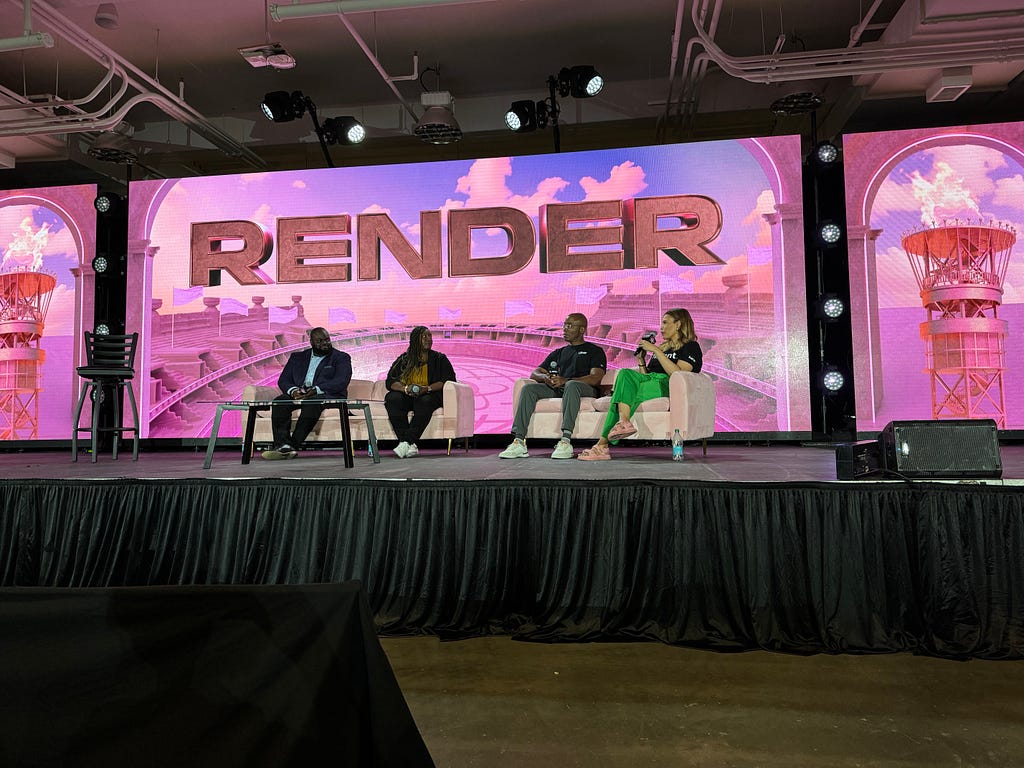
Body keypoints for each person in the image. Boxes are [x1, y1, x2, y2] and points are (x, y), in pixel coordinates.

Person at [579, 308, 702, 461]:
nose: (661, 328)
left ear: (678, 325)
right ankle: (624, 422)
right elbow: (645, 375)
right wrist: (641, 360)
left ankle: (602, 445)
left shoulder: (691, 347)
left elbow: (678, 375)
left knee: (621, 396)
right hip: (650, 380)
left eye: (665, 323)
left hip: (668, 384)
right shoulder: (664, 347)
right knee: (624, 373)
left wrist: (656, 351)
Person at [499, 313, 606, 460]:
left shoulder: (595, 351)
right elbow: (535, 373)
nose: (565, 329)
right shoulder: (559, 352)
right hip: (562, 389)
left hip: (584, 389)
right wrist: (546, 378)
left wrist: (566, 380)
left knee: (572, 384)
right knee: (529, 389)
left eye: (570, 326)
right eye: (564, 325)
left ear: (582, 330)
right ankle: (519, 441)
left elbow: (596, 378)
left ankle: (565, 441)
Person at [262, 327, 352, 460]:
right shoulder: (297, 357)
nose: (325, 343)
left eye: (327, 340)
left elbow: (341, 381)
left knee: (312, 402)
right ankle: (282, 445)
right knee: (280, 401)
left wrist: (316, 389)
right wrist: (293, 391)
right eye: (320, 341)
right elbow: (284, 380)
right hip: (299, 392)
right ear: (311, 342)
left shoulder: (341, 357)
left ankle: (290, 446)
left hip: (324, 393)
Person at [384, 326, 457, 458]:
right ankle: (409, 445)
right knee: (392, 398)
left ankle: (406, 442)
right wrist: (405, 389)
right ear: (415, 340)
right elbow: (390, 381)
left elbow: (448, 380)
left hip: (430, 395)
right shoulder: (404, 359)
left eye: (429, 336)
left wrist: (426, 389)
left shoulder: (439, 358)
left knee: (425, 400)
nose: (428, 339)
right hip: (409, 395)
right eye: (424, 336)